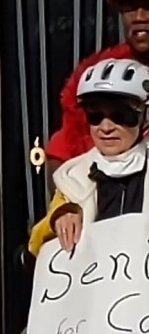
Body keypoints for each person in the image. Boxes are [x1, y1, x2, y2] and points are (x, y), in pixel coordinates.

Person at [25, 58, 149, 261]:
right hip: (93, 288)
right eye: (95, 116)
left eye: (121, 115)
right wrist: (60, 216)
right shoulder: (74, 177)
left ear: (144, 117)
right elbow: (36, 243)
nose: (106, 127)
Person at [45, 0, 149, 176]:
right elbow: (61, 154)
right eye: (131, 7)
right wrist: (68, 206)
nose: (140, 16)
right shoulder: (95, 76)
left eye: (148, 5)